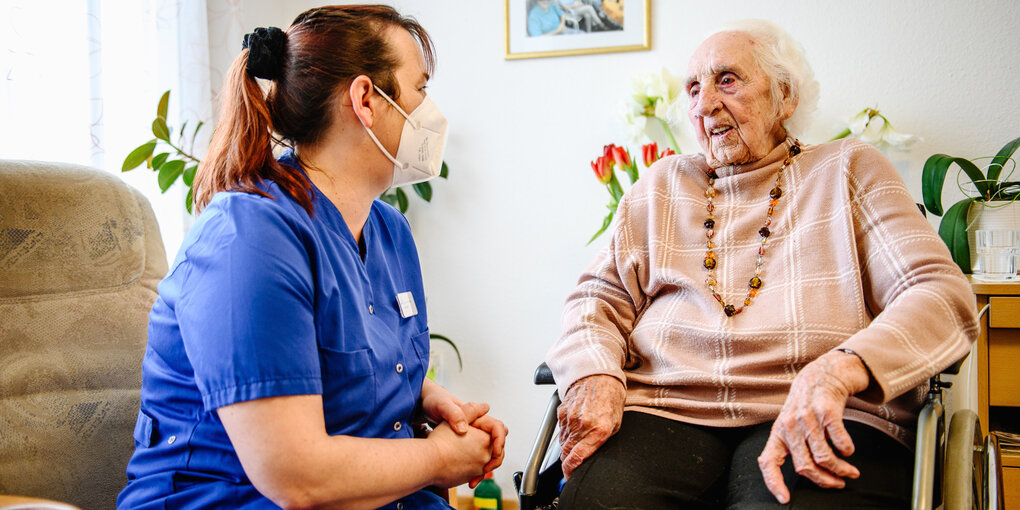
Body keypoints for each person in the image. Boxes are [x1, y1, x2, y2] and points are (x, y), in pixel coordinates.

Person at [546, 19, 978, 509]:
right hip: (669, 410)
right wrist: (594, 373)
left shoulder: (848, 169)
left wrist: (840, 371)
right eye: (693, 88)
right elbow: (593, 302)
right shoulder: (662, 186)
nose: (704, 103)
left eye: (726, 80)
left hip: (821, 405)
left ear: (785, 96)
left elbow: (941, 294)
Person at [117, 5, 507, 509]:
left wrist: (427, 397)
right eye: (420, 89)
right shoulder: (249, 238)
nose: (430, 110)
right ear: (366, 99)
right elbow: (295, 476)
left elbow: (347, 362)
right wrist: (438, 460)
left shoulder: (389, 231)